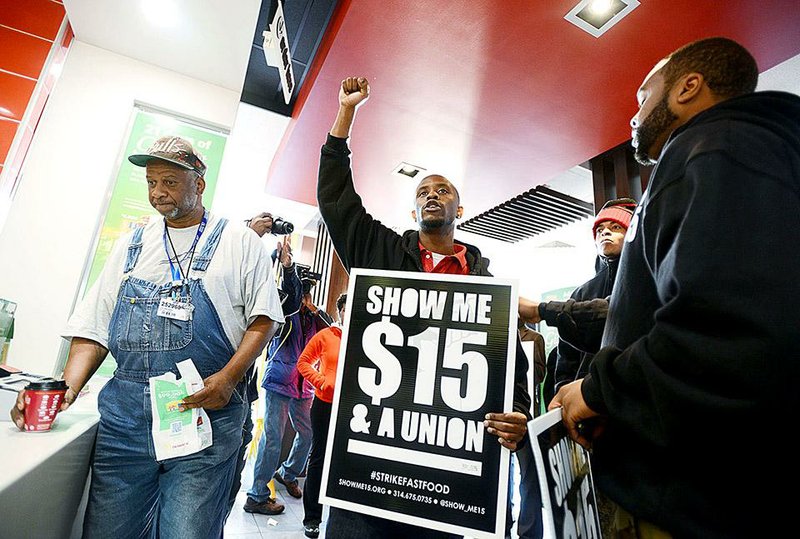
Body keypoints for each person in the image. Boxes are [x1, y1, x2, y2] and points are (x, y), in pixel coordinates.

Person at [551, 37, 800, 538]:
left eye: (644, 96)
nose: (635, 114)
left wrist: (601, 389)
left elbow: (728, 333)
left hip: (691, 505)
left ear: (688, 88)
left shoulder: (718, 148)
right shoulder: (726, 155)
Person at [11, 136, 284, 538]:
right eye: (152, 182)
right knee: (108, 530)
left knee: (186, 531)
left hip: (203, 415)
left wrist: (228, 378)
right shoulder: (131, 246)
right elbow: (93, 327)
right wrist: (64, 390)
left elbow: (265, 319)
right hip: (126, 422)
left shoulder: (238, 242)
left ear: (199, 183)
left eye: (170, 182)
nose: (158, 193)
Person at [317, 76, 531, 538]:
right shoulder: (382, 253)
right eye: (422, 193)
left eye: (442, 190)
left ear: (460, 207)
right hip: (369, 472)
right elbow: (336, 201)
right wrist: (345, 115)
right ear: (414, 212)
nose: (431, 194)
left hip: (450, 484)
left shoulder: (487, 287)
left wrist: (517, 412)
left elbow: (509, 366)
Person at [225, 214, 301, 520]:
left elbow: (290, 304)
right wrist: (250, 237)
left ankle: (241, 500)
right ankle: (254, 495)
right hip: (216, 374)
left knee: (237, 450)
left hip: (242, 386)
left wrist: (288, 267)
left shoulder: (266, 293)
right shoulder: (228, 263)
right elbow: (227, 276)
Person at [244, 272, 333, 514]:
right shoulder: (287, 312)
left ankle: (288, 473)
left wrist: (315, 311)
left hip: (305, 385)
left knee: (307, 433)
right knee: (272, 437)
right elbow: (280, 315)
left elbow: (331, 330)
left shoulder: (315, 318)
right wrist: (294, 292)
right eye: (303, 292)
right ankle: (256, 495)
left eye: (308, 292)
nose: (305, 296)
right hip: (280, 381)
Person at [554, 198, 635, 391]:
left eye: (616, 227)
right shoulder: (583, 292)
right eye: (600, 229)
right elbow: (566, 356)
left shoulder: (644, 282)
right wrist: (562, 389)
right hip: (583, 397)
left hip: (632, 393)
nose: (605, 232)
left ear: (632, 233)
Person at [296, 292, 347, 538]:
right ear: (340, 312)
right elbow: (303, 362)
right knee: (319, 458)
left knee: (345, 461)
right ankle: (312, 518)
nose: (350, 314)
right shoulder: (326, 335)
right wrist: (322, 382)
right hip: (325, 404)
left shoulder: (367, 338)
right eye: (346, 309)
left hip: (352, 410)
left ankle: (344, 519)